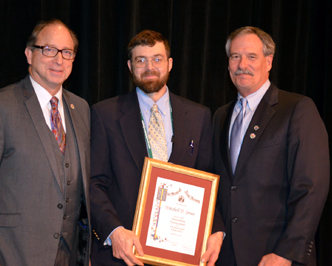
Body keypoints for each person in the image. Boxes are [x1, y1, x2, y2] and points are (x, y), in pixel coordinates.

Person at [0, 19, 91, 266]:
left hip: (69, 256)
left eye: (67, 52)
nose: (59, 60)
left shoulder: (81, 108)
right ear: (29, 54)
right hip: (11, 255)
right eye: (49, 49)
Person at [89, 30, 223, 266]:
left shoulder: (198, 116)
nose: (150, 67)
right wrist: (114, 231)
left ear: (170, 64)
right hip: (123, 254)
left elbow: (209, 180)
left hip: (182, 255)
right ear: (130, 66)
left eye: (157, 59)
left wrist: (216, 231)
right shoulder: (104, 115)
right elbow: (93, 183)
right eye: (141, 60)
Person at [212, 26, 330, 266]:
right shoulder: (220, 116)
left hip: (276, 256)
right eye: (235, 56)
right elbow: (214, 183)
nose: (242, 64)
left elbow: (311, 187)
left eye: (251, 56)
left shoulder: (297, 109)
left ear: (268, 62)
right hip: (226, 256)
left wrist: (287, 252)